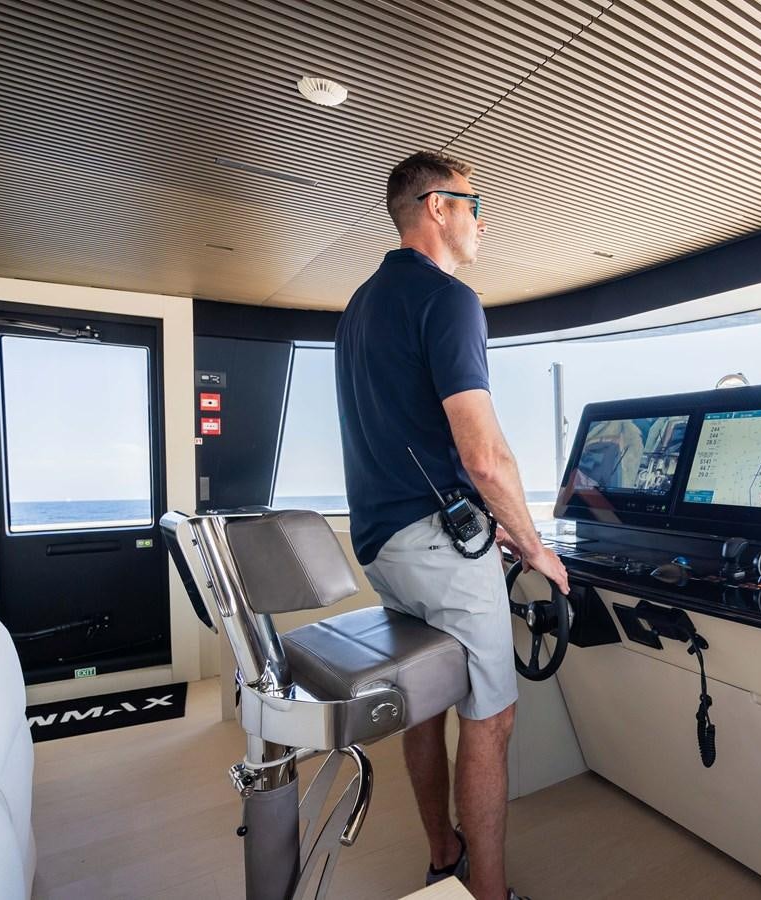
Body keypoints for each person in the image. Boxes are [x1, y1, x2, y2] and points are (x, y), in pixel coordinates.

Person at [334, 150, 569, 900]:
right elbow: (484, 457)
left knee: (426, 703)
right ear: (437, 207)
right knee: (490, 719)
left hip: (384, 546)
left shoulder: (360, 307)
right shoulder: (450, 299)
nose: (481, 221)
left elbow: (402, 441)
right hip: (438, 548)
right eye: (474, 204)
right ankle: (488, 894)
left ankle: (444, 857)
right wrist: (534, 547)